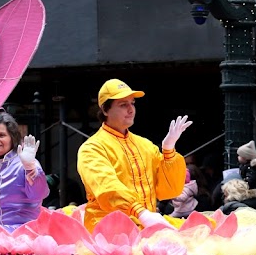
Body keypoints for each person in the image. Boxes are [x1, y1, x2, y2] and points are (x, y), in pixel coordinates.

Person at [77, 78, 189, 231]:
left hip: (146, 225)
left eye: (132, 103)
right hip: (109, 231)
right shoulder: (92, 148)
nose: (131, 109)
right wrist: (141, 213)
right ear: (105, 110)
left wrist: (168, 151)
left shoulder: (145, 145)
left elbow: (169, 190)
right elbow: (107, 188)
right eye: (123, 105)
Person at [0, 111, 48, 231]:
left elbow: (39, 194)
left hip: (22, 235)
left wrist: (30, 169)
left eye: (1, 135)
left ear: (12, 138)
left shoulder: (26, 164)